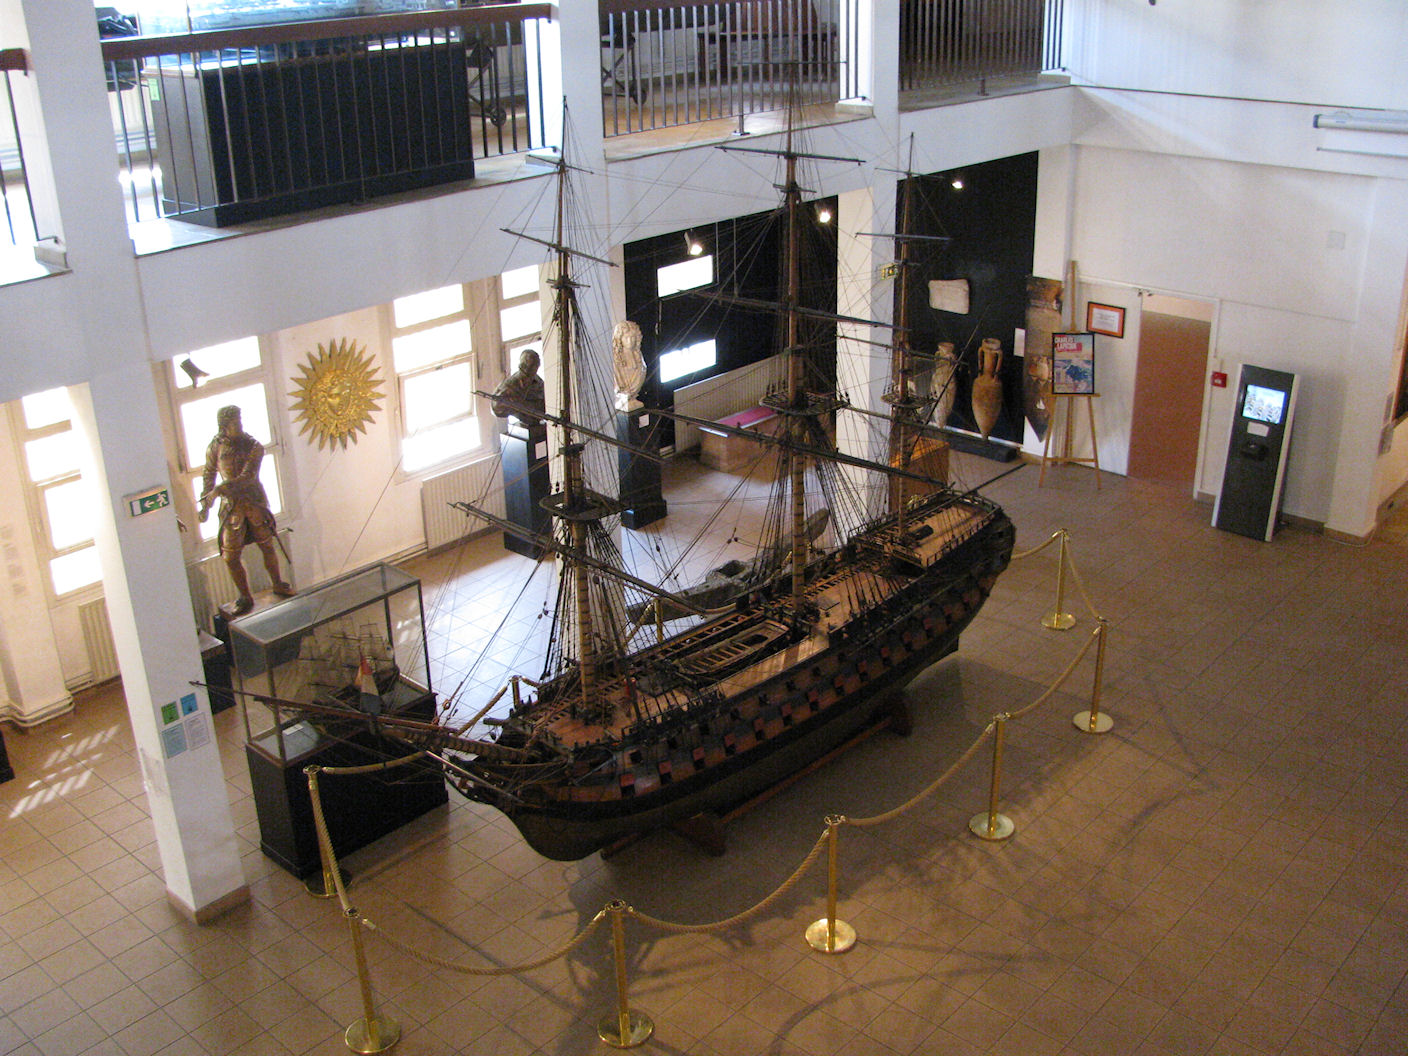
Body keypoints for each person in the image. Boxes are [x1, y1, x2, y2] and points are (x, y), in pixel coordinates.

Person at [198, 405, 294, 616]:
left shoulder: (253, 446)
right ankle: (245, 595)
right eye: (235, 422)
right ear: (225, 425)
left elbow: (247, 477)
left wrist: (219, 489)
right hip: (231, 507)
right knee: (230, 556)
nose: (239, 425)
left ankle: (277, 583)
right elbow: (209, 473)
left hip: (253, 502)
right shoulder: (215, 447)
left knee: (266, 545)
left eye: (240, 421)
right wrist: (205, 503)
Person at [491, 348, 546, 425]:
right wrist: (515, 405)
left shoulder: (537, 380)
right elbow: (496, 407)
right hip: (525, 418)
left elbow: (544, 398)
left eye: (537, 364)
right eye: (532, 365)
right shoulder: (510, 384)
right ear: (522, 365)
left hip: (537, 419)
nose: (535, 368)